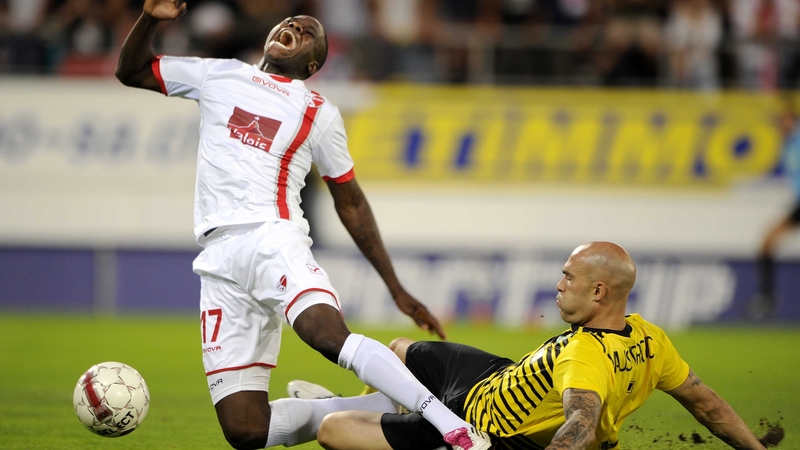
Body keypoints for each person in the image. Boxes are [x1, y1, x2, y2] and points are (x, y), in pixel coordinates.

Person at [114, 2, 491, 450]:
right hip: (217, 260)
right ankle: (362, 407)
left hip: (272, 236)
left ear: (312, 64)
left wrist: (394, 286)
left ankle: (453, 427)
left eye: (309, 30)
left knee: (326, 335)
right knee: (246, 430)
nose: (295, 25)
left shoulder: (317, 110)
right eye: (291, 21)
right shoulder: (218, 75)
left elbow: (349, 201)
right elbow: (132, 71)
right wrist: (151, 18)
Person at [267, 242, 768, 450]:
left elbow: (580, 420)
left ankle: (347, 411)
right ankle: (368, 403)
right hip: (497, 376)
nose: (558, 285)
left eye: (567, 278)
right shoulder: (650, 337)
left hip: (483, 427)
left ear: (598, 292)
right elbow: (708, 403)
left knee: (332, 431)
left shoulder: (584, 356)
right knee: (398, 348)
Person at [751, 105, 800, 319]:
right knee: (766, 243)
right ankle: (767, 297)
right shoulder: (787, 145)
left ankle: (767, 298)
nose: (783, 124)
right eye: (781, 120)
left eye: (786, 120)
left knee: (767, 242)